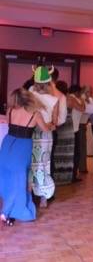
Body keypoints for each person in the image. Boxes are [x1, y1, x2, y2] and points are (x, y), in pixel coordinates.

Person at [0, 88, 53, 226]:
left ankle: (9, 211)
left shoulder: (10, 110)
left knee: (7, 178)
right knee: (19, 181)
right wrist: (52, 125)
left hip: (7, 145)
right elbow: (46, 129)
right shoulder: (35, 114)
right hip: (22, 147)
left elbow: (7, 122)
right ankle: (6, 212)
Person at [29, 65, 59, 208]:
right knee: (44, 165)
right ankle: (44, 198)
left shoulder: (30, 95)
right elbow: (55, 122)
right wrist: (49, 126)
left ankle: (29, 195)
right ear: (49, 82)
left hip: (31, 132)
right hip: (46, 135)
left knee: (30, 164)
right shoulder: (54, 99)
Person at [52, 81, 76, 186]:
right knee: (67, 152)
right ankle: (65, 177)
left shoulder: (54, 97)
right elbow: (82, 108)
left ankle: (56, 177)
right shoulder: (69, 99)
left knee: (57, 151)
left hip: (58, 125)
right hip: (68, 125)